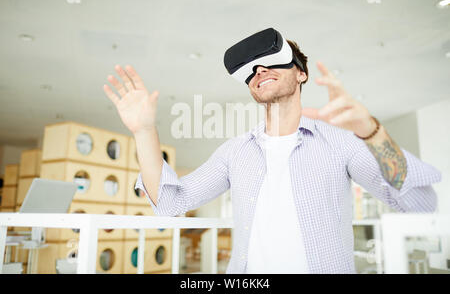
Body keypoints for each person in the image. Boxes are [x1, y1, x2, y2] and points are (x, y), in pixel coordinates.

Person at [103, 30, 442, 274]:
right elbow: (169, 203)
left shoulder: (340, 144)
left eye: (271, 63)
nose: (259, 70)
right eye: (251, 69)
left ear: (301, 74)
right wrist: (145, 131)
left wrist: (370, 131)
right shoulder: (234, 152)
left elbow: (420, 204)